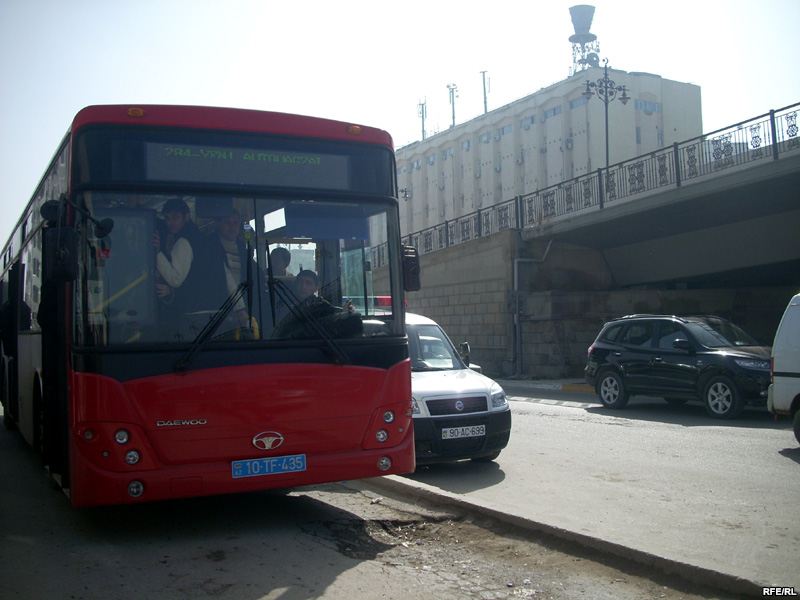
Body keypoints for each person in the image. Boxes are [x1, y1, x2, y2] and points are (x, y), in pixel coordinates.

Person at [153, 198, 204, 336]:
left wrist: (157, 253)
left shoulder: (184, 241)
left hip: (188, 313)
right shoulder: (197, 237)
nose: (171, 223)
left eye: (176, 218)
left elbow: (175, 279)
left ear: (186, 217)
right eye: (167, 218)